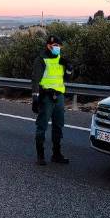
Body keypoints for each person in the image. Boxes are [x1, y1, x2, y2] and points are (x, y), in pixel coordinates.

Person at [31, 35, 73, 165]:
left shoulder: (61, 59)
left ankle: (56, 154)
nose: (58, 48)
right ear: (48, 46)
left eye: (59, 46)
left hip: (59, 96)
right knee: (42, 125)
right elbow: (35, 80)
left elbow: (67, 79)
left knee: (58, 126)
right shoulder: (41, 60)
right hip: (46, 97)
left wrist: (70, 69)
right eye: (55, 46)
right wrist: (35, 98)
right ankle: (40, 155)